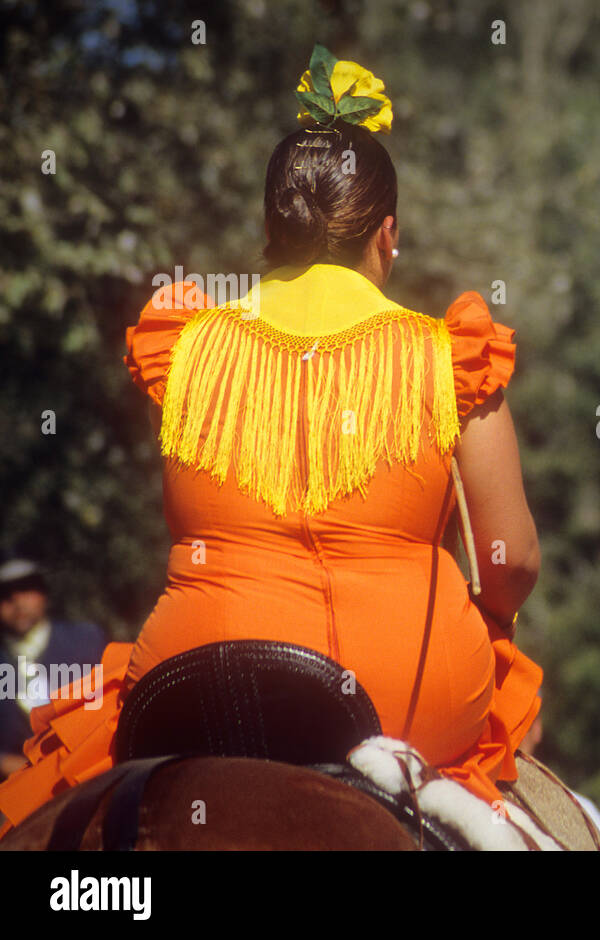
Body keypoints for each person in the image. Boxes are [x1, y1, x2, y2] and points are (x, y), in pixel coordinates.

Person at [0, 47, 542, 834]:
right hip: (399, 696)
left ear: (270, 229)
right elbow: (513, 561)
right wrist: (491, 613)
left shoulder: (184, 343)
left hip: (199, 679)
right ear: (388, 236)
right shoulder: (448, 353)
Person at [0, 560, 106, 779]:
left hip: (88, 782)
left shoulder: (87, 642)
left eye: (27, 587)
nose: (17, 600)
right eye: (5, 593)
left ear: (44, 593)